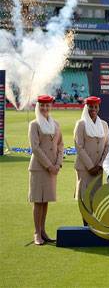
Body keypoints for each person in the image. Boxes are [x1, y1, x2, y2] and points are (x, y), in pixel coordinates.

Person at [28, 95, 63, 245]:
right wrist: (49, 165)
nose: (45, 108)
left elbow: (61, 145)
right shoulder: (34, 124)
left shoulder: (55, 124)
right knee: (38, 201)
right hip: (39, 168)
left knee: (46, 200)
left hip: (52, 169)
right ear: (38, 106)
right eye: (42, 105)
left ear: (51, 106)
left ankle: (43, 230)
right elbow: (35, 147)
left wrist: (58, 164)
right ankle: (37, 232)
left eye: (47, 105)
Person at [73, 96, 109, 225]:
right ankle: (86, 225)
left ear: (98, 108)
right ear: (86, 107)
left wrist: (100, 165)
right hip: (85, 168)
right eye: (91, 107)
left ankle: (93, 224)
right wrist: (90, 166)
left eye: (96, 107)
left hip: (98, 169)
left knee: (95, 196)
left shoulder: (104, 124)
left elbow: (107, 145)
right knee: (84, 197)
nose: (93, 109)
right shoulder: (81, 124)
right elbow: (79, 146)